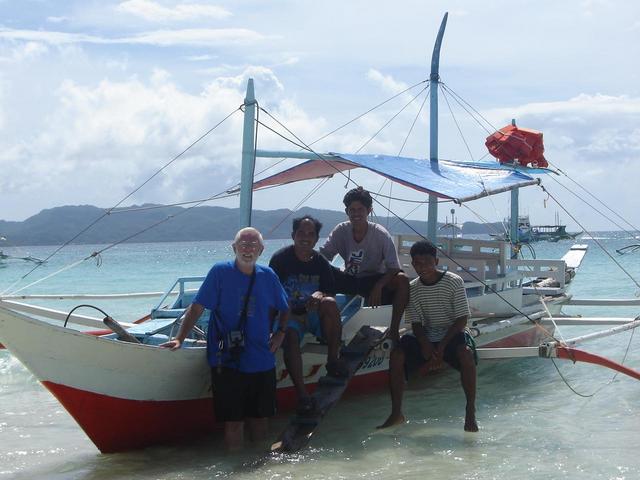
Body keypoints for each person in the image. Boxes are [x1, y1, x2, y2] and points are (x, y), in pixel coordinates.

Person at [161, 227, 290, 450]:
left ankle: (259, 469)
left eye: (252, 245)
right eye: (243, 244)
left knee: (260, 419)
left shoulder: (268, 276)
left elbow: (285, 307)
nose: (247, 249)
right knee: (234, 422)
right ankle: (235, 467)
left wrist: (280, 333)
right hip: (228, 360)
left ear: (261, 250)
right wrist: (180, 338)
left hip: (261, 358)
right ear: (234, 247)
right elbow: (196, 308)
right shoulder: (220, 272)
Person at [377, 240, 478, 432]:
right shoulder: (413, 287)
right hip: (427, 334)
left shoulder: (454, 281)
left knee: (466, 354)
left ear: (436, 261)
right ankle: (396, 412)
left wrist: (440, 348)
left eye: (427, 262)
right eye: (417, 263)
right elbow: (416, 322)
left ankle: (470, 410)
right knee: (397, 355)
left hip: (451, 333)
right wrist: (425, 345)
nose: (422, 267)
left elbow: (461, 320)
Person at [269, 215, 346, 415]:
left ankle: (332, 360)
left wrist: (320, 294)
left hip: (312, 314)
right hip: (289, 315)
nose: (305, 237)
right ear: (293, 235)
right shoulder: (280, 259)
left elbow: (329, 291)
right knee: (291, 337)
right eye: (301, 233)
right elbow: (268, 294)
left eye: (311, 234)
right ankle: (303, 395)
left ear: (316, 239)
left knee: (329, 303)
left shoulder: (320, 262)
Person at [319, 186, 409, 344]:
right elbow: (324, 256)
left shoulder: (380, 234)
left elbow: (394, 267)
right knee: (320, 269)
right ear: (347, 211)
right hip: (350, 278)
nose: (356, 214)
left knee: (402, 279)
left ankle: (393, 331)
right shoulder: (341, 230)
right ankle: (322, 327)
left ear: (369, 210)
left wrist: (379, 286)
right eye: (352, 210)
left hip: (372, 279)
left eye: (360, 209)